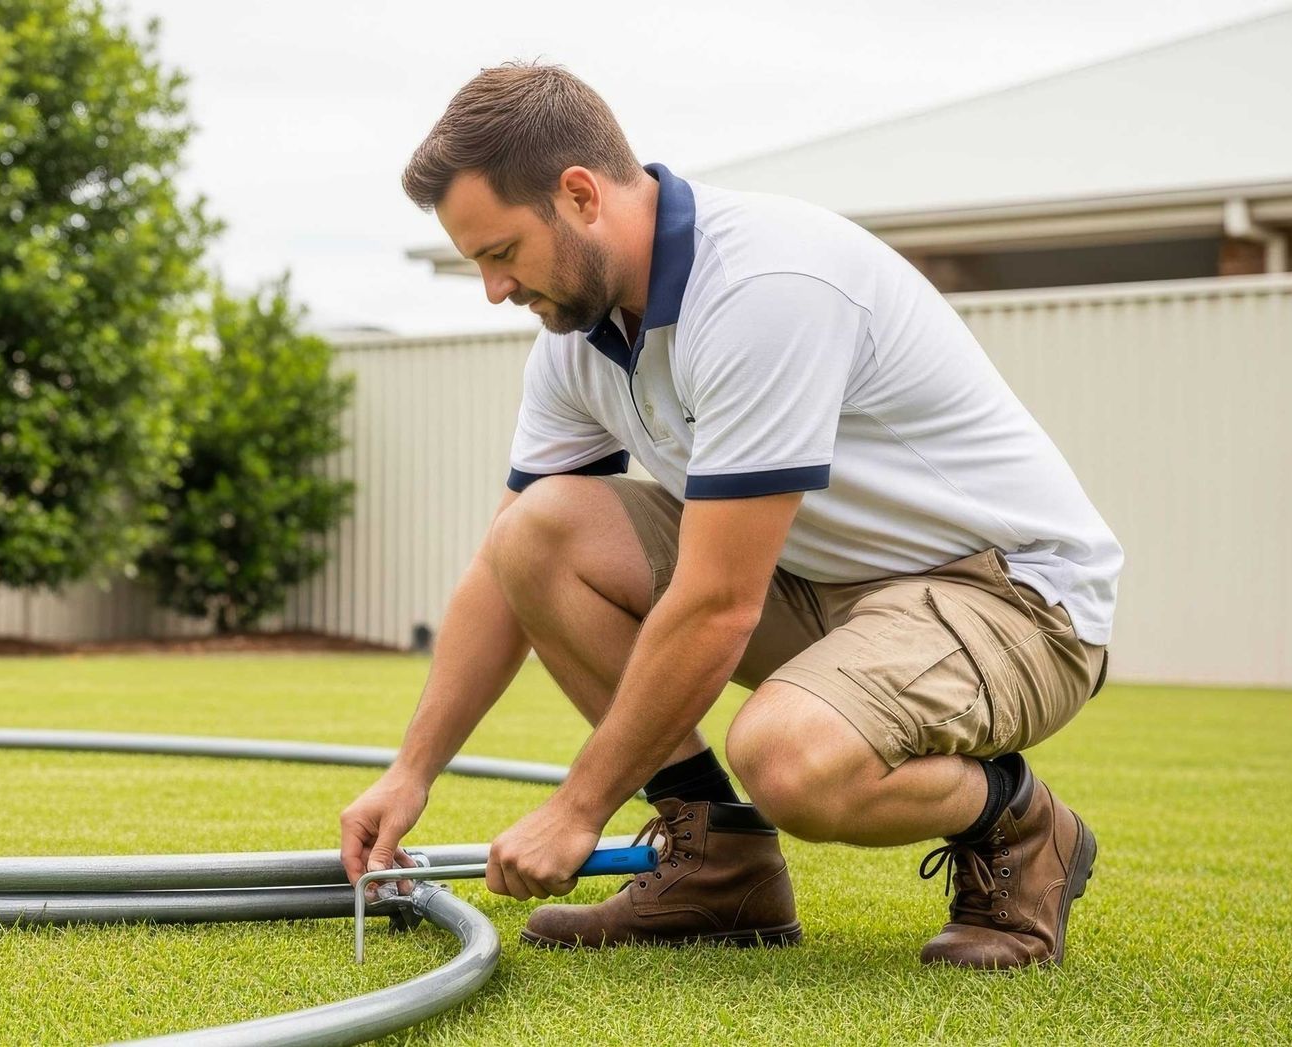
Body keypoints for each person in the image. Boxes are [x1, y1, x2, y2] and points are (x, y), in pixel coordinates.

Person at [337, 62, 1121, 970]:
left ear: (580, 195)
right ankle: (719, 867)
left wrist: (576, 808)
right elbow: (500, 574)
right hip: (827, 585)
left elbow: (717, 604)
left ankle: (1021, 821)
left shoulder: (763, 286)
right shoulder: (578, 340)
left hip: (1013, 596)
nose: (494, 290)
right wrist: (411, 772)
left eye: (501, 252)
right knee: (537, 534)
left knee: (787, 756)